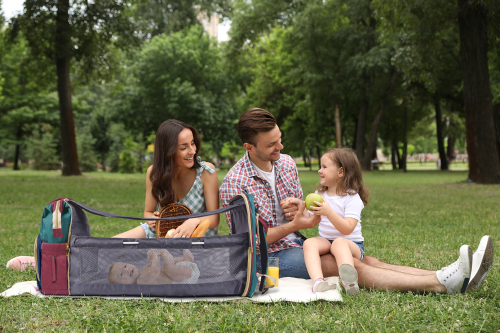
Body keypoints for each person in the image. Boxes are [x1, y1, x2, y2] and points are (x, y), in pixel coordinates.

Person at [219, 107, 494, 294]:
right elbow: (248, 242)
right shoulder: (235, 183)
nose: (280, 148)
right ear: (249, 147)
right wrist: (294, 226)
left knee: (367, 259)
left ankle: (448, 274)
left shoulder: (286, 163)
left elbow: (304, 212)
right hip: (265, 259)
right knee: (350, 265)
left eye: (280, 139)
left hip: (298, 243)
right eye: (271, 145)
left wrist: (299, 209)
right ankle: (441, 284)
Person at [7, 119, 220, 270]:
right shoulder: (154, 172)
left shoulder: (206, 173)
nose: (192, 150)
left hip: (197, 239)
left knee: (133, 260)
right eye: (183, 147)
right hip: (160, 232)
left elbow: (215, 217)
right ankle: (48, 262)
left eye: (192, 143)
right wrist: (153, 219)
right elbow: (147, 211)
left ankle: (62, 264)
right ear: (168, 150)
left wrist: (194, 221)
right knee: (107, 246)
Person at [303, 148, 369, 295]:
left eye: (324, 167)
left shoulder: (351, 197)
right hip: (327, 241)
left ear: (341, 172)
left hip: (351, 244)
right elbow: (307, 216)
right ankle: (318, 281)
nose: (320, 170)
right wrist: (299, 205)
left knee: (339, 242)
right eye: (320, 166)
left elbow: (347, 229)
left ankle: (349, 282)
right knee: (309, 243)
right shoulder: (319, 194)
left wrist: (329, 212)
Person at [108, 249, 199, 285]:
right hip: (180, 280)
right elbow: (155, 271)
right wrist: (156, 255)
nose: (125, 269)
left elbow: (153, 265)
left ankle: (185, 259)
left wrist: (155, 258)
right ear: (122, 286)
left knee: (169, 265)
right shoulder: (140, 282)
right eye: (121, 274)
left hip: (179, 272)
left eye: (125, 265)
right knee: (169, 269)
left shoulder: (141, 272)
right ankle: (166, 252)